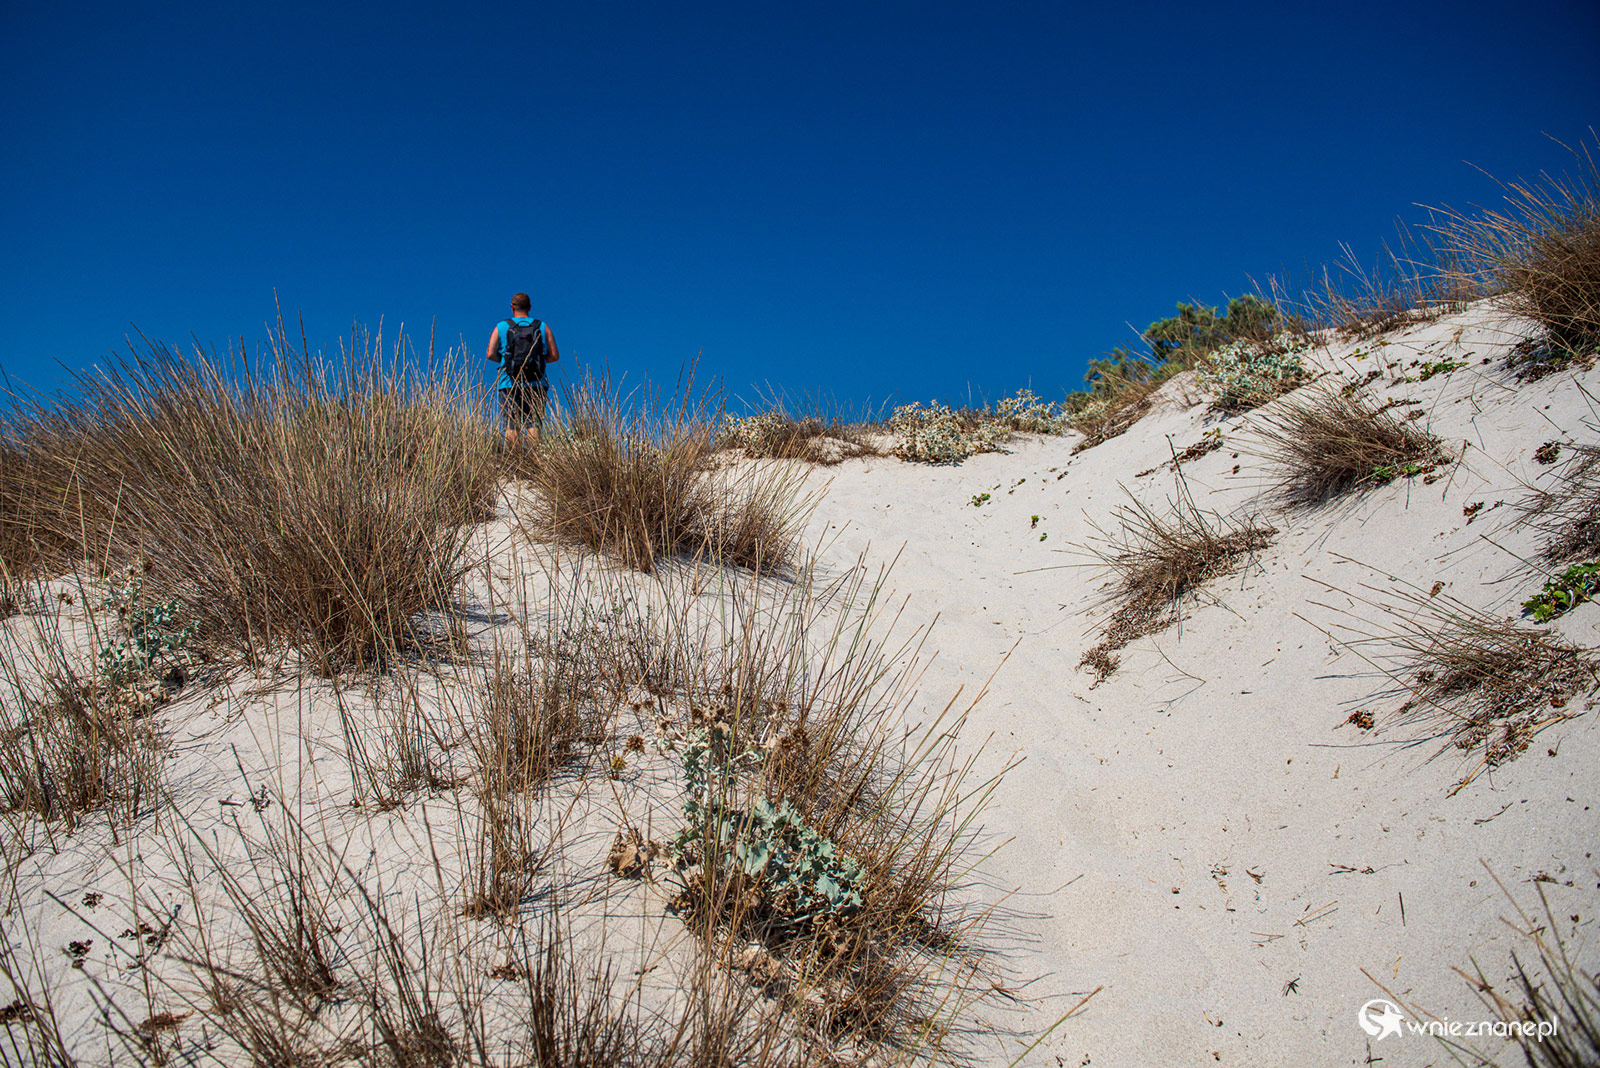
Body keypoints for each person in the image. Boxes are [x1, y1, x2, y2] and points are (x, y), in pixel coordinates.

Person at [487, 292, 561, 445]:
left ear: (512, 307)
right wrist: (539, 361)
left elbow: (490, 354)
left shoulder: (501, 326)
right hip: (536, 382)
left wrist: (505, 361)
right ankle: (533, 461)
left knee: (511, 424)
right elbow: (554, 356)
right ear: (530, 307)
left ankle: (514, 461)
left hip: (509, 382)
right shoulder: (542, 327)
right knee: (534, 423)